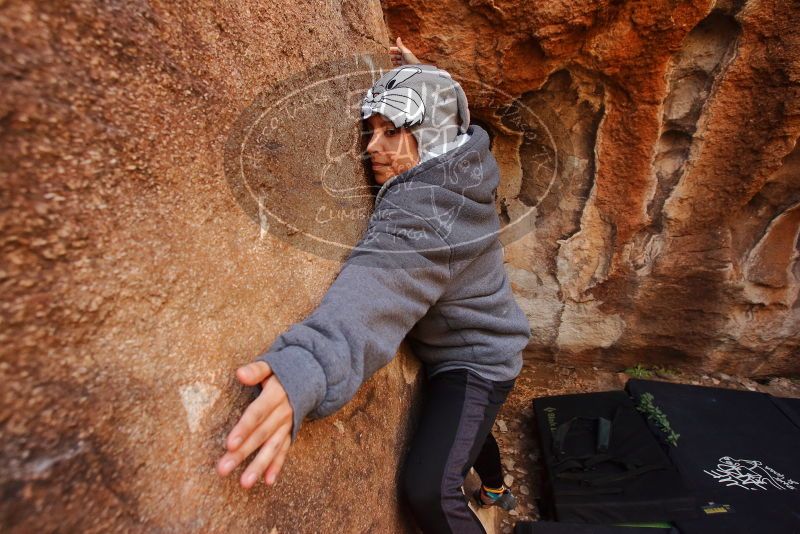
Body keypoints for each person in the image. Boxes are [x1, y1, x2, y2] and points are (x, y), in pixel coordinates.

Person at [217, 38, 531, 533]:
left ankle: (491, 487)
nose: (370, 148)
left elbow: (378, 290)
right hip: (474, 329)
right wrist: (420, 72)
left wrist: (309, 366)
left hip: (477, 359)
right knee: (470, 430)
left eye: (391, 132)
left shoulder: (428, 212)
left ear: (428, 133)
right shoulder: (465, 157)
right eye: (370, 130)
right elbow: (449, 110)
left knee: (430, 490)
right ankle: (495, 486)